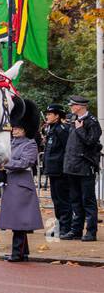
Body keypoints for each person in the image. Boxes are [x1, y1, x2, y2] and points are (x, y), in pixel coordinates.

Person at [0, 96, 44, 262]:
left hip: (22, 183)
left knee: (19, 222)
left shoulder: (30, 144)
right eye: (14, 127)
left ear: (26, 129)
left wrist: (5, 163)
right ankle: (23, 252)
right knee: (17, 220)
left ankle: (17, 253)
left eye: (18, 128)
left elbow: (26, 162)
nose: (15, 130)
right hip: (13, 183)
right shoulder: (12, 143)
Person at [62, 95, 101, 242]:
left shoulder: (92, 122)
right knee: (75, 200)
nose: (71, 107)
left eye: (73, 105)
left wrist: (80, 130)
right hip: (72, 166)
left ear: (80, 106)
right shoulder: (73, 120)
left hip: (85, 166)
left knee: (88, 201)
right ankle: (76, 230)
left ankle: (91, 232)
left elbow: (92, 142)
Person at [42, 103, 71, 236]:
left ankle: (66, 227)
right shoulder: (52, 129)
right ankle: (60, 226)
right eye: (47, 114)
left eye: (50, 114)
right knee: (57, 201)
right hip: (53, 170)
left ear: (57, 116)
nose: (47, 116)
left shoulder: (61, 130)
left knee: (63, 200)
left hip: (61, 171)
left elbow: (67, 149)